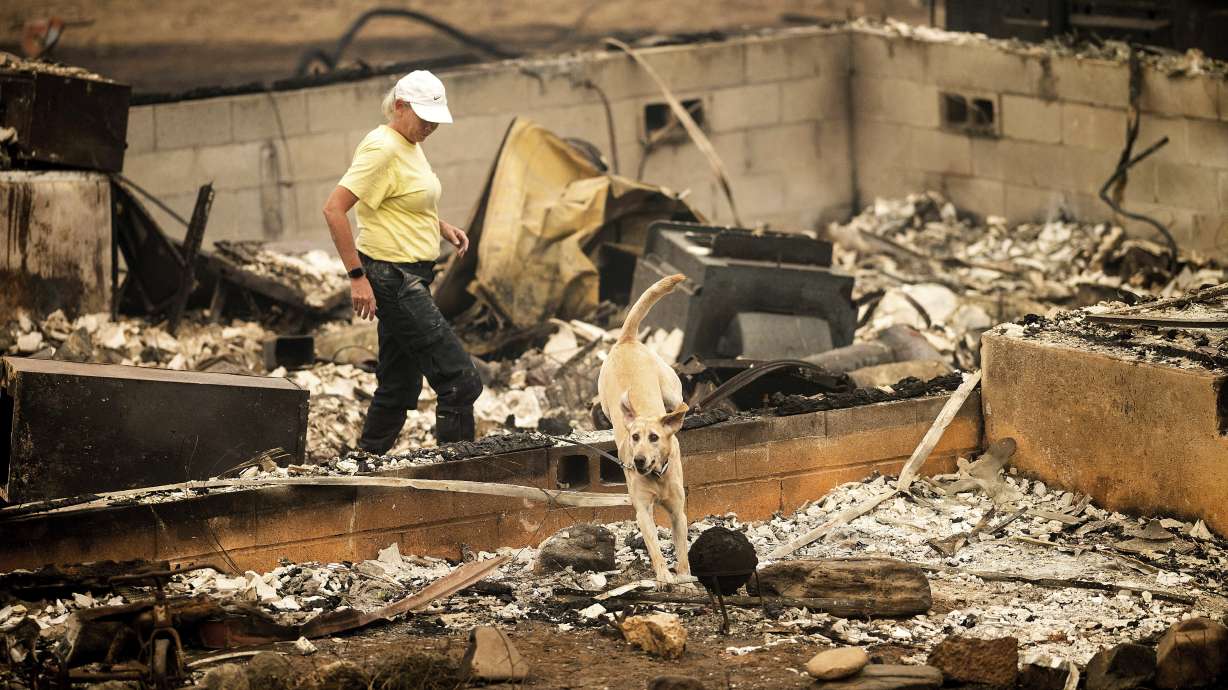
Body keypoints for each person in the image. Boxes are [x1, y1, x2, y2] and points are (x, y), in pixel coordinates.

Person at [322, 69, 482, 453]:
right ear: (400, 106)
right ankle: (459, 474)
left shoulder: (409, 143)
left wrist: (439, 226)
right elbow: (334, 210)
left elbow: (401, 199)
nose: (430, 127)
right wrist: (356, 277)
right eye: (424, 118)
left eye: (435, 121)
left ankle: (363, 463)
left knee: (398, 386)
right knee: (460, 382)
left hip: (410, 276)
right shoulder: (382, 147)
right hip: (393, 279)